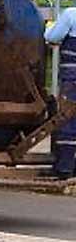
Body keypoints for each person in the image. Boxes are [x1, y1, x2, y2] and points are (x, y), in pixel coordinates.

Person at [42, 10, 76, 180]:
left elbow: (53, 37)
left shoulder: (71, 14)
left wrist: (47, 28)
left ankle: (64, 167)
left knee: (67, 121)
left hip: (72, 79)